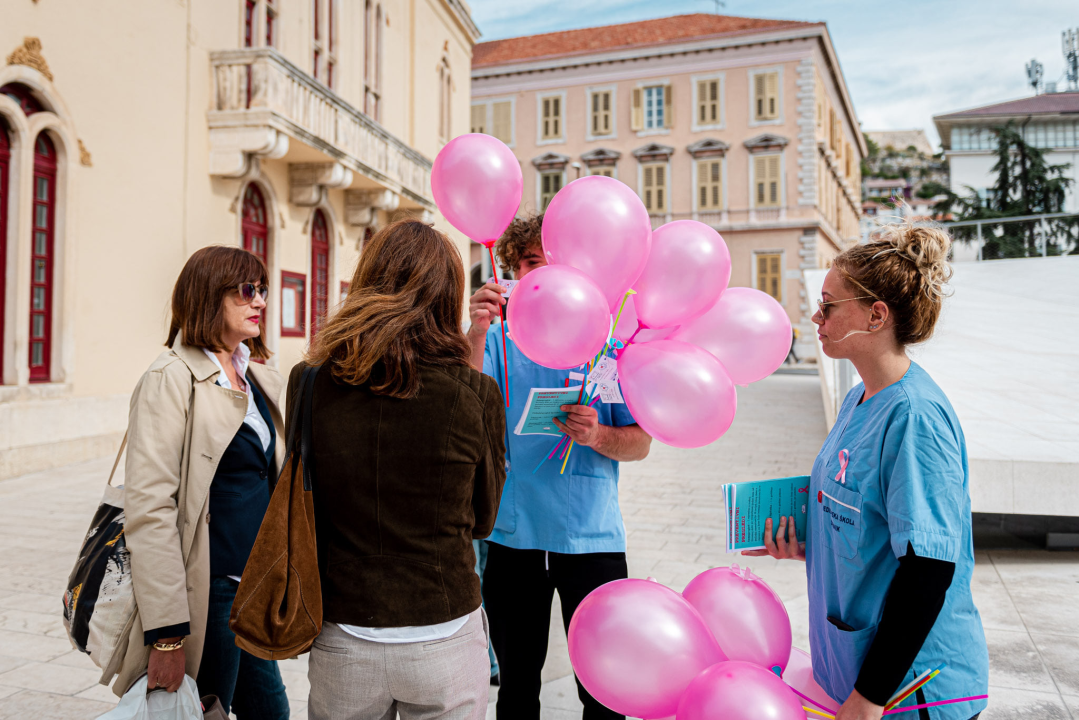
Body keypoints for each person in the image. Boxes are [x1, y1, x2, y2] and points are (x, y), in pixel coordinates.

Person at [744, 220, 989, 720]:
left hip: (910, 689)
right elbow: (866, 519)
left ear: (876, 316)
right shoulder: (859, 399)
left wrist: (870, 697)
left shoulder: (915, 418)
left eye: (829, 305)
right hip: (853, 670)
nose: (817, 317)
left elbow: (927, 571)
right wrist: (810, 543)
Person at [295, 220, 506, 720]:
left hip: (346, 627)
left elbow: (307, 496)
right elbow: (483, 519)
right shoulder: (475, 393)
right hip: (444, 627)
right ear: (447, 298)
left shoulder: (311, 382)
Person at [467, 214, 653, 720]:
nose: (539, 273)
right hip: (514, 537)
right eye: (528, 263)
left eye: (549, 261)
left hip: (591, 540)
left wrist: (597, 436)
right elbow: (461, 405)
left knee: (603, 691)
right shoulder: (498, 339)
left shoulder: (607, 346)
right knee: (516, 688)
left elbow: (640, 443)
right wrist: (476, 332)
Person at [114, 246, 290, 718]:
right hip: (208, 592)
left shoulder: (255, 375)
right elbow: (151, 509)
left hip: (255, 584)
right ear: (210, 297)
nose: (260, 301)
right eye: (247, 290)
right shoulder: (170, 378)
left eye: (263, 290)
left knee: (271, 711)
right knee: (209, 709)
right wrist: (167, 634)